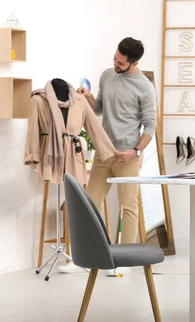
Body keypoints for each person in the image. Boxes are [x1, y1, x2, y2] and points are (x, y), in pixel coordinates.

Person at [62, 37, 157, 276]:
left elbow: (150, 127)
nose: (115, 63)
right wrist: (88, 97)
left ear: (133, 62)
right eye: (115, 58)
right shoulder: (107, 75)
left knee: (128, 207)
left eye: (121, 62)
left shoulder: (145, 87)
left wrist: (135, 151)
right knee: (89, 204)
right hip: (104, 152)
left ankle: (125, 262)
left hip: (128, 156)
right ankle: (83, 258)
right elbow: (99, 108)